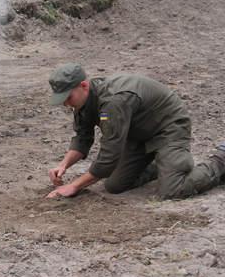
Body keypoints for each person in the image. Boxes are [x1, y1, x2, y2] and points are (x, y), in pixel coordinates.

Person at [46, 63, 225, 200]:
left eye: (68, 97)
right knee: (115, 185)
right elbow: (83, 137)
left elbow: (110, 155)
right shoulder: (83, 101)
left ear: (84, 85)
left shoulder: (113, 102)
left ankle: (220, 161)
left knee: (172, 190)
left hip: (168, 127)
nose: (66, 104)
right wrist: (64, 165)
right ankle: (163, 166)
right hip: (138, 134)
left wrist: (74, 186)